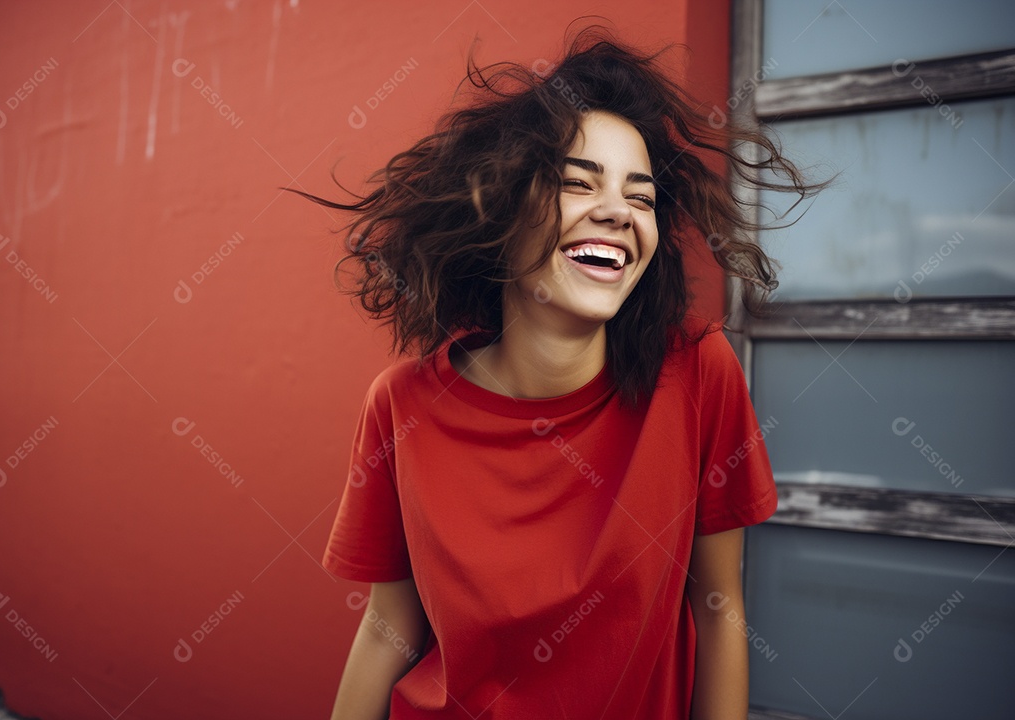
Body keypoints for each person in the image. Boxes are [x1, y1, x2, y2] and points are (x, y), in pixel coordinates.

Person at [290, 20, 822, 720]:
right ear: (504, 215)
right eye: (579, 184)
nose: (616, 212)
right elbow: (390, 626)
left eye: (641, 196)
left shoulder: (697, 375)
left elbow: (718, 608)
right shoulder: (401, 404)